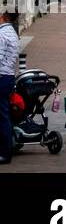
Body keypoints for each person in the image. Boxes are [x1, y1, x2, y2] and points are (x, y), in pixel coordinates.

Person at [0, 9, 19, 165]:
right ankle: (6, 149)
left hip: (0, 77)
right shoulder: (13, 33)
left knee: (2, 116)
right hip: (8, 77)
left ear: (2, 17)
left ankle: (5, 152)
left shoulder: (1, 34)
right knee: (4, 114)